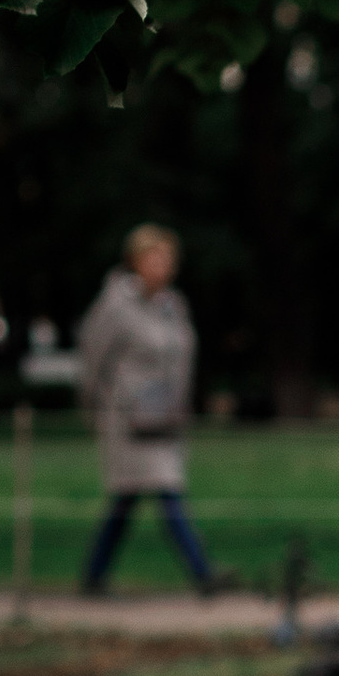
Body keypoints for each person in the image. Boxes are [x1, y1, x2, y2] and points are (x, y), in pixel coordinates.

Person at [77, 226, 214, 595]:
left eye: (168, 259)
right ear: (135, 261)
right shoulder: (116, 306)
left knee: (135, 499)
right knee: (157, 495)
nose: (163, 266)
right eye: (155, 258)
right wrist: (95, 403)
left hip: (164, 417)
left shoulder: (173, 306)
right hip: (127, 421)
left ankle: (94, 576)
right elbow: (92, 356)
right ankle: (204, 575)